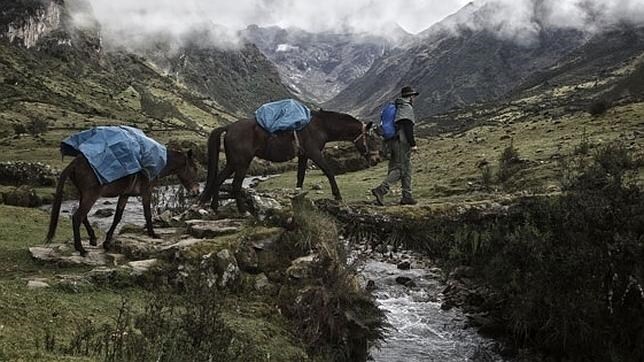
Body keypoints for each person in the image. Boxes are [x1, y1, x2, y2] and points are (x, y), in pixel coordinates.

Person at [371, 86, 419, 206]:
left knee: (406, 168)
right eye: (414, 96)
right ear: (410, 97)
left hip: (390, 142)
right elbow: (407, 126)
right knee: (401, 169)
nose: (414, 99)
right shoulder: (406, 107)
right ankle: (381, 190)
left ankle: (407, 196)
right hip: (401, 142)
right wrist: (413, 144)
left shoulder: (395, 106)